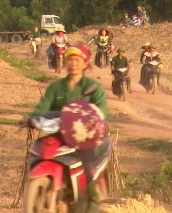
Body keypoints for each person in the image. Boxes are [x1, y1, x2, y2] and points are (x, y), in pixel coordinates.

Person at [22, 45, 109, 212]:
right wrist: (32, 119)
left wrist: (95, 119)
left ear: (85, 64)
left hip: (85, 137)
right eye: (69, 60)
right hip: (60, 133)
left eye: (77, 60)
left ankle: (92, 202)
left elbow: (102, 110)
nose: (73, 64)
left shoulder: (93, 87)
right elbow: (43, 108)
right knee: (39, 149)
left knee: (87, 163)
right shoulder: (56, 88)